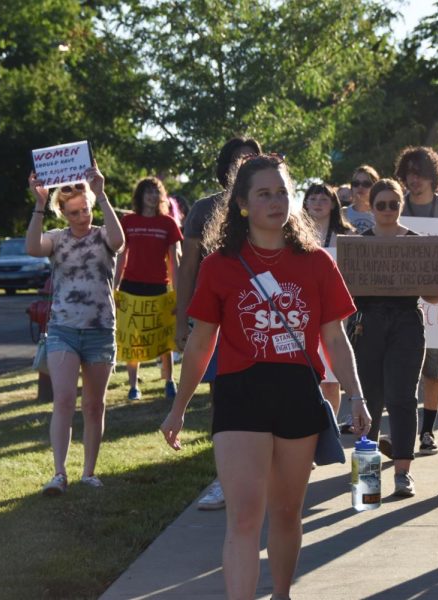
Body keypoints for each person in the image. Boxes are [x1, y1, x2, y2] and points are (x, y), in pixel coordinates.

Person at [160, 154, 372, 600]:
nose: (276, 202)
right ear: (241, 204)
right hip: (241, 394)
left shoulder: (316, 263)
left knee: (287, 511)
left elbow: (335, 339)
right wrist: (178, 408)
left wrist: (357, 396)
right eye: (263, 194)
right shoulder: (220, 265)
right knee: (242, 517)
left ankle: (281, 594)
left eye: (282, 192)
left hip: (297, 392)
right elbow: (201, 344)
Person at [25, 163, 125, 496]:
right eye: (74, 213)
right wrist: (39, 203)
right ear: (63, 214)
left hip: (99, 329)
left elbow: (119, 240)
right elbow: (31, 247)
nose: (82, 217)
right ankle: (58, 473)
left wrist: (102, 192)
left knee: (94, 405)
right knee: (64, 399)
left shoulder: (102, 236)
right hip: (63, 329)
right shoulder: (57, 239)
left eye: (85, 210)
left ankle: (89, 472)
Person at [175, 136, 262, 511]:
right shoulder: (202, 209)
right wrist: (182, 321)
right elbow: (188, 268)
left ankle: (260, 476)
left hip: (260, 319)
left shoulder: (269, 204)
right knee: (222, 400)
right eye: (236, 160)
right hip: (215, 320)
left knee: (263, 397)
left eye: (250, 160)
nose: (242, 166)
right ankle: (224, 480)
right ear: (224, 167)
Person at [351, 178, 438, 498]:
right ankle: (365, 476)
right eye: (381, 204)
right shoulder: (359, 244)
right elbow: (347, 294)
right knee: (369, 400)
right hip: (368, 325)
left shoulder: (417, 243)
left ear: (401, 206)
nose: (388, 210)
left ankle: (403, 473)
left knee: (403, 397)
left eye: (394, 204)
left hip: (407, 323)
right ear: (371, 206)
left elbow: (431, 297)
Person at [395, 145, 438, 455]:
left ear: (433, 177)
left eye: (419, 174)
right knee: (401, 373)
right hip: (400, 303)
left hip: (437, 305)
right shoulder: (395, 207)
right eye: (408, 174)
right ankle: (401, 432)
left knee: (434, 370)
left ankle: (428, 431)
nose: (413, 181)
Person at [115, 177, 183, 401]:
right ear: (140, 196)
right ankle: (134, 385)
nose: (153, 197)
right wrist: (114, 288)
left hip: (159, 287)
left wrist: (177, 293)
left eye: (156, 192)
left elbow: (174, 261)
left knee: (163, 337)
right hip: (131, 286)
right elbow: (121, 256)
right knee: (132, 337)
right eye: (148, 192)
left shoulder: (168, 223)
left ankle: (169, 381)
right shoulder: (128, 221)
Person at [302, 183, 353, 415]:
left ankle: (331, 429)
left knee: (332, 379)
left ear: (333, 204)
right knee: (307, 377)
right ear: (305, 203)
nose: (318, 203)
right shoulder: (294, 235)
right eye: (312, 199)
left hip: (336, 315)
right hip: (303, 312)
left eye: (323, 199)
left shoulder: (348, 237)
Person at [342, 165, 378, 233]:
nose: (360, 187)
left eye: (366, 184)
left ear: (375, 187)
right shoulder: (343, 213)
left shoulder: (380, 213)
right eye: (356, 183)